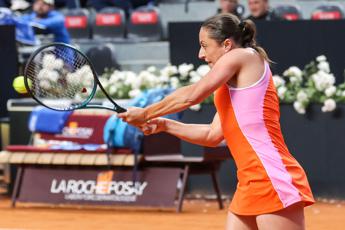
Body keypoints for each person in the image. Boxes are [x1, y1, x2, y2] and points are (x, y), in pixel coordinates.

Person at [118, 13, 315, 230]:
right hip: (249, 181)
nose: (200, 54)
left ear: (227, 45)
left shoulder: (243, 55)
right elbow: (212, 135)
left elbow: (191, 95)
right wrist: (165, 124)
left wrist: (146, 113)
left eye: (205, 45)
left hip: (271, 176)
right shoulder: (229, 86)